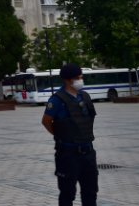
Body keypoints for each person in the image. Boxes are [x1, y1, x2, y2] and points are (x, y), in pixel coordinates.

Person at [41, 63, 98, 206]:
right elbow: (46, 121)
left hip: (88, 152)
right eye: (77, 77)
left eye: (81, 77)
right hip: (68, 155)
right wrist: (60, 134)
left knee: (90, 192)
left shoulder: (84, 96)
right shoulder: (57, 100)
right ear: (67, 80)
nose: (80, 80)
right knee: (67, 193)